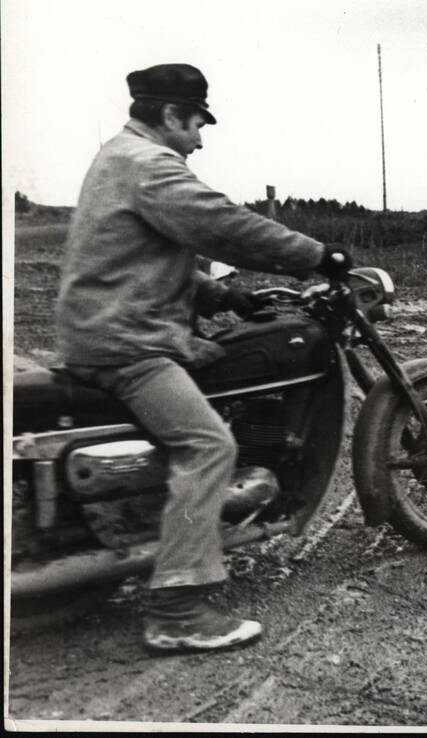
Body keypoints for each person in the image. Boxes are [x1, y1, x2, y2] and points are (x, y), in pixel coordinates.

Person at [55, 63, 352, 652]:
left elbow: (134, 260)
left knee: (219, 374)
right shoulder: (151, 165)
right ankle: (176, 608)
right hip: (128, 345)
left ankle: (191, 529)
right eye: (196, 123)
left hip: (107, 327)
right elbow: (223, 226)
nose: (200, 137)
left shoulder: (117, 156)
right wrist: (319, 256)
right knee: (209, 443)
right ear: (169, 115)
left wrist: (223, 295)